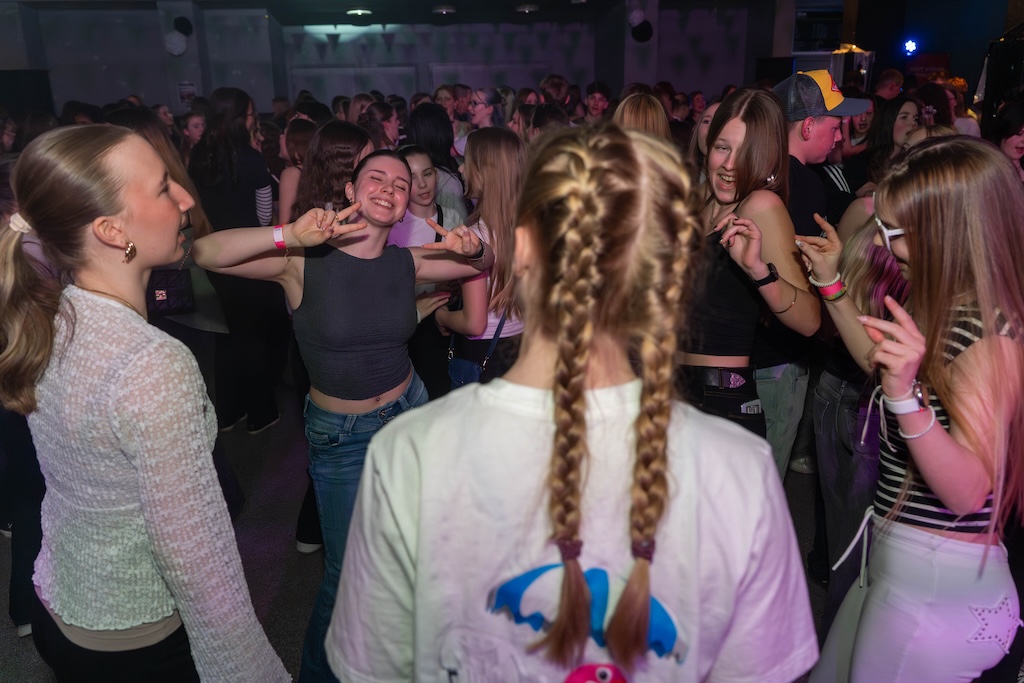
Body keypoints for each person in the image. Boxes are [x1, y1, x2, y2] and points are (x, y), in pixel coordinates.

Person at [324, 122, 818, 681]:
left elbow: (376, 669)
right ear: (668, 272)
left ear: (521, 248)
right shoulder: (740, 470)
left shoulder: (409, 454)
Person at [193, 149, 496, 683]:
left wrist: (475, 247)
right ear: (351, 191)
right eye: (376, 178)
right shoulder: (303, 260)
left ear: (404, 204)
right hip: (343, 438)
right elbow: (206, 251)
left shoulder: (407, 261)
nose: (390, 188)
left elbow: (485, 264)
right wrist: (289, 233)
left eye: (400, 184)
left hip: (408, 413)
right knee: (347, 575)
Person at [0, 125, 289, 682]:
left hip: (65, 604)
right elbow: (196, 558)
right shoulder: (153, 364)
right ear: (112, 231)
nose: (185, 198)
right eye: (162, 188)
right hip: (138, 637)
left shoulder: (55, 316)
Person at [799, 136, 1024, 682]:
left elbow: (968, 492)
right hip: (903, 564)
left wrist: (904, 398)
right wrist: (832, 284)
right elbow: (882, 366)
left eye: (896, 231)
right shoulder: (951, 306)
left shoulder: (989, 336)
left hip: (935, 587)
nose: (883, 242)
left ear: (949, 229)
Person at [679, 88, 820, 438]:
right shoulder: (698, 200)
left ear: (768, 159)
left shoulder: (760, 206)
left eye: (746, 153)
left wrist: (759, 271)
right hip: (672, 389)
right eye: (723, 148)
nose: (730, 166)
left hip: (718, 398)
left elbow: (810, 321)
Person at [437, 127, 526, 383]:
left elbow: (475, 323)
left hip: (483, 352)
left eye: (467, 161)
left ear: (487, 172)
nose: (460, 169)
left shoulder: (475, 238)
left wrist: (442, 316)